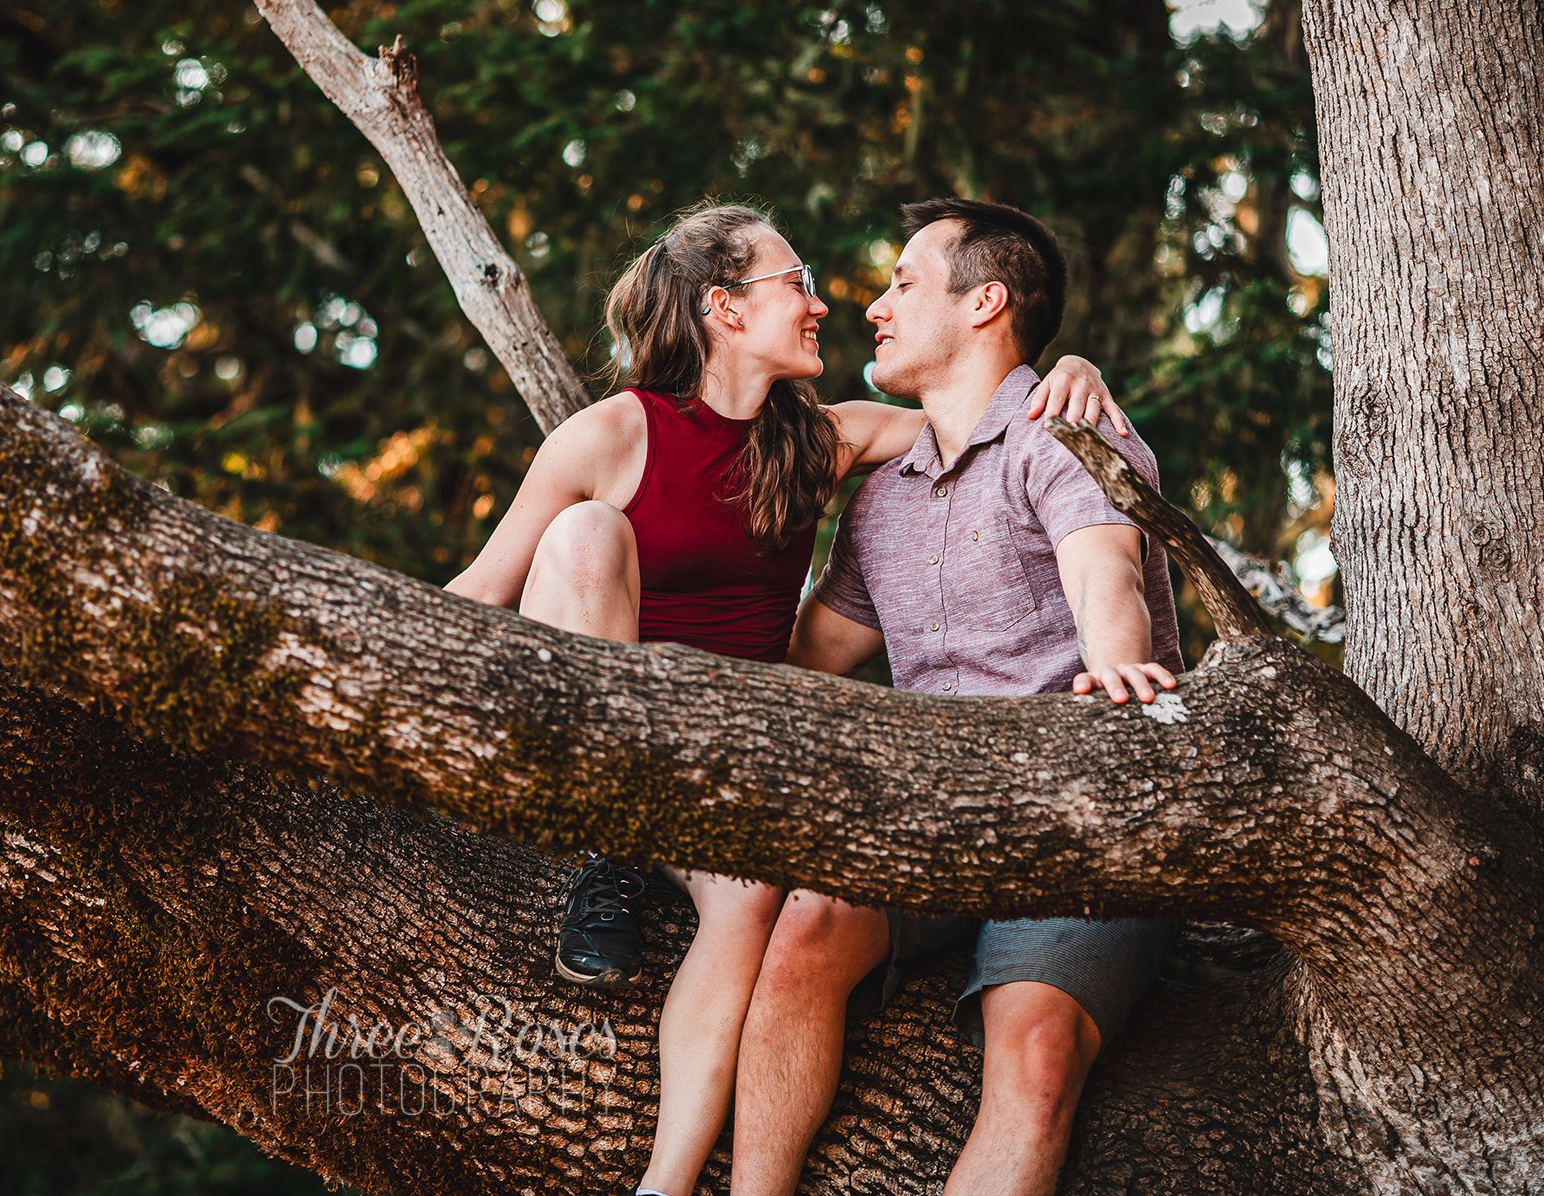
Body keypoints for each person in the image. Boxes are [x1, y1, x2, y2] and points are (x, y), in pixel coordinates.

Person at [444, 200, 1129, 1196]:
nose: (822, 304)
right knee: (586, 539)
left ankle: (665, 1185)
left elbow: (976, 415)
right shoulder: (609, 434)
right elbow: (476, 596)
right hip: (608, 747)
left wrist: (1072, 371)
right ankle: (609, 849)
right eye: (794, 283)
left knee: (755, 898)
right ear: (723, 308)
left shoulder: (824, 441)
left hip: (721, 769)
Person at [760, 196, 1184, 1196]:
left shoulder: (1067, 433)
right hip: (933, 817)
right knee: (807, 924)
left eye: (902, 282)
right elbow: (807, 654)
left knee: (1035, 1061)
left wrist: (1114, 660)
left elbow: (1105, 579)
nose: (874, 305)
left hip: (1085, 819)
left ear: (984, 300)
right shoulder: (884, 496)